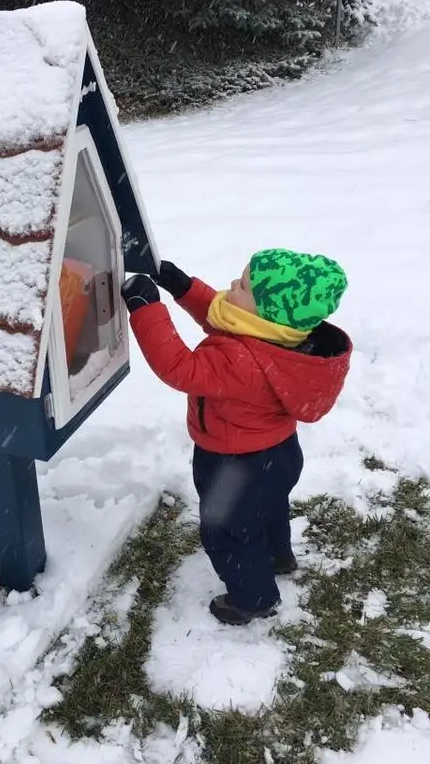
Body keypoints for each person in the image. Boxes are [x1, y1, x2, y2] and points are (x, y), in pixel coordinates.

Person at [120, 249, 352, 626]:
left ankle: (253, 598)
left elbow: (179, 367)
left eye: (243, 285)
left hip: (234, 463)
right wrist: (182, 285)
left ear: (266, 314)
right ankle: (277, 556)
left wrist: (147, 310)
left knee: (226, 530)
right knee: (266, 508)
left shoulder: (242, 360)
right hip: (276, 455)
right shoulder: (277, 341)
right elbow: (220, 311)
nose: (232, 286)